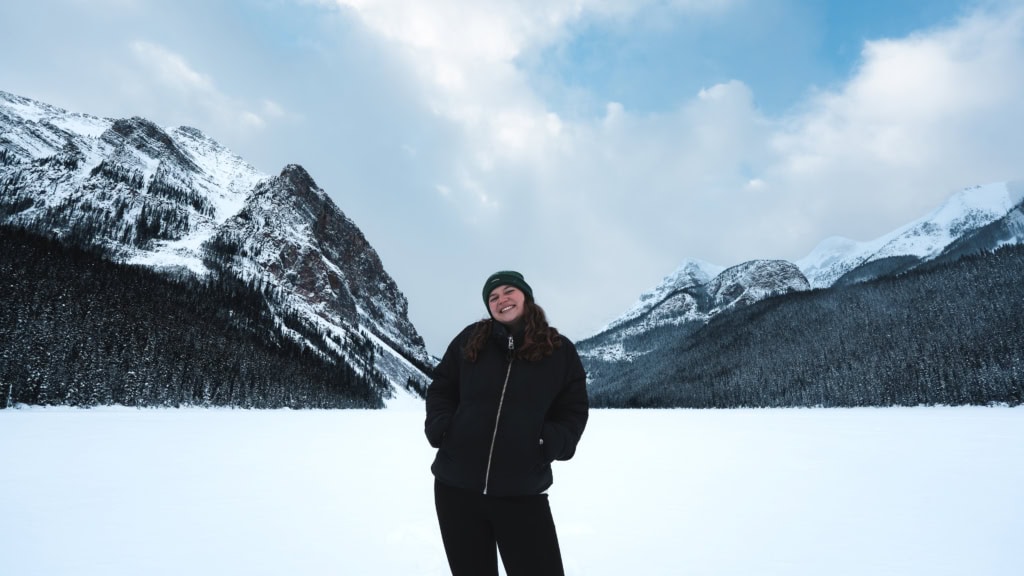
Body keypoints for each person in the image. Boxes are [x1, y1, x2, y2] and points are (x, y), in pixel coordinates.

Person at [425, 270, 589, 576]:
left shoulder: (559, 350)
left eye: (508, 291)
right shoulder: (470, 339)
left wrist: (548, 442)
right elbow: (442, 388)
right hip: (455, 489)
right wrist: (441, 427)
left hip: (522, 492)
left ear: (525, 295)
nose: (502, 300)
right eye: (493, 297)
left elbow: (573, 411)